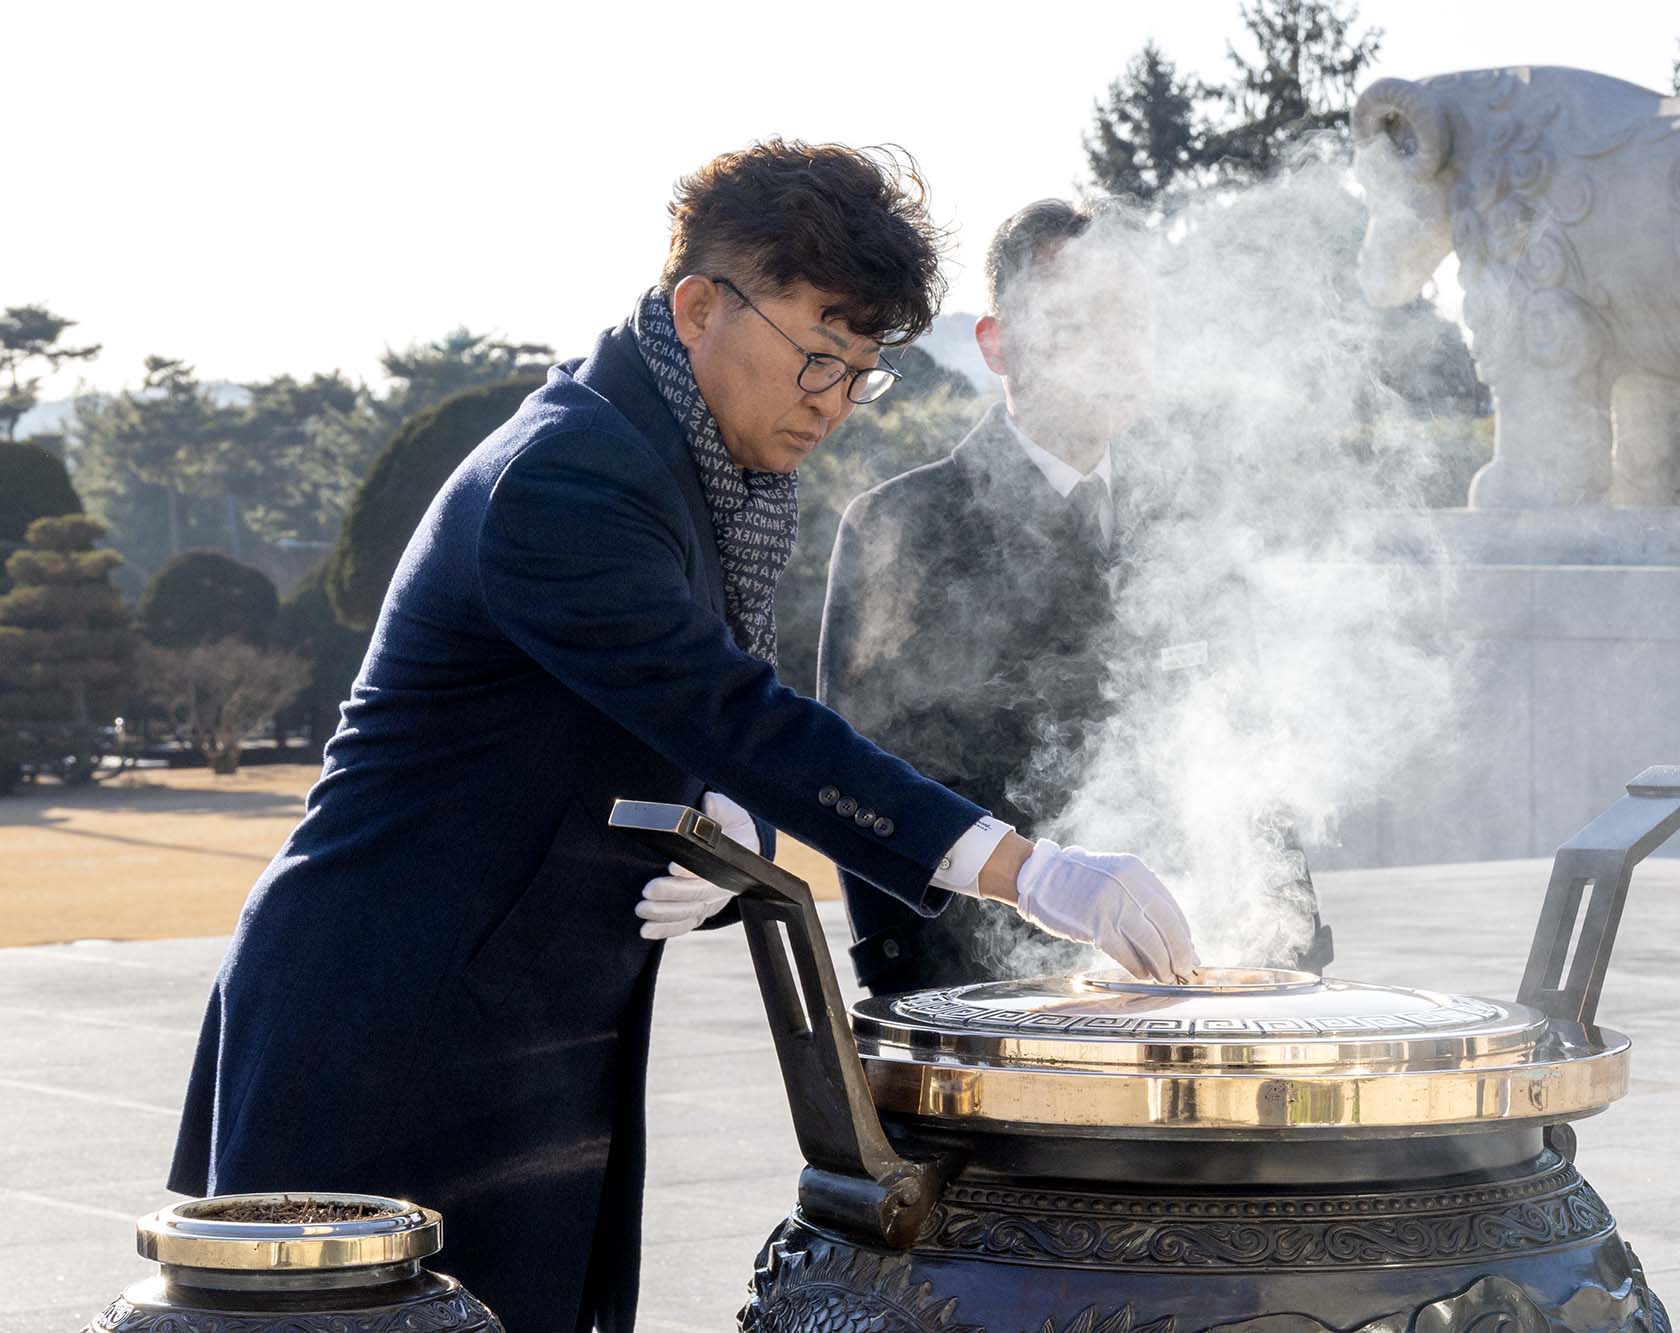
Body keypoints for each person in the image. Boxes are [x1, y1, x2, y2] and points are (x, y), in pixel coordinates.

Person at [167, 143, 1196, 1333]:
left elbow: (678, 719)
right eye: (817, 355)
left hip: (525, 1016)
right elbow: (728, 710)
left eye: (860, 373)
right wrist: (1026, 870)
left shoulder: (687, 466)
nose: (831, 400)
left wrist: (730, 821)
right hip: (390, 1023)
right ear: (701, 305)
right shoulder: (569, 474)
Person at [819, 199, 1331, 997]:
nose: (1111, 352)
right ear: (996, 343)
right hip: (996, 997)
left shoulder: (1191, 518)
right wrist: (931, 1001)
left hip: (1202, 980)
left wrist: (1296, 954)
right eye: (1074, 323)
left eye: (1131, 324)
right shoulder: (904, 527)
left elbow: (1250, 749)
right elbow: (863, 789)